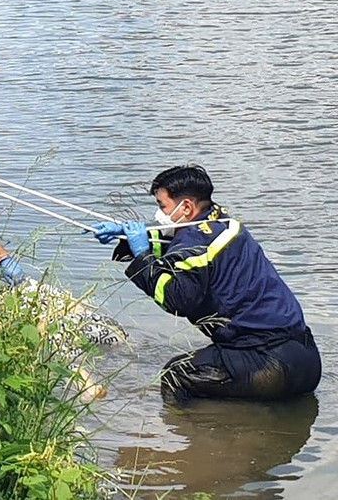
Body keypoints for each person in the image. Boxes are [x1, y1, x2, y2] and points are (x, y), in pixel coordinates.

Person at [90, 165, 322, 404]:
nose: (159, 214)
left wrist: (142, 256)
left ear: (186, 207)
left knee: (175, 375)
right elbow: (183, 250)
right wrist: (128, 239)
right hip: (306, 361)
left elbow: (176, 299)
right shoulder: (225, 224)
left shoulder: (194, 242)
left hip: (269, 365)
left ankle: (194, 427)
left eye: (162, 206)